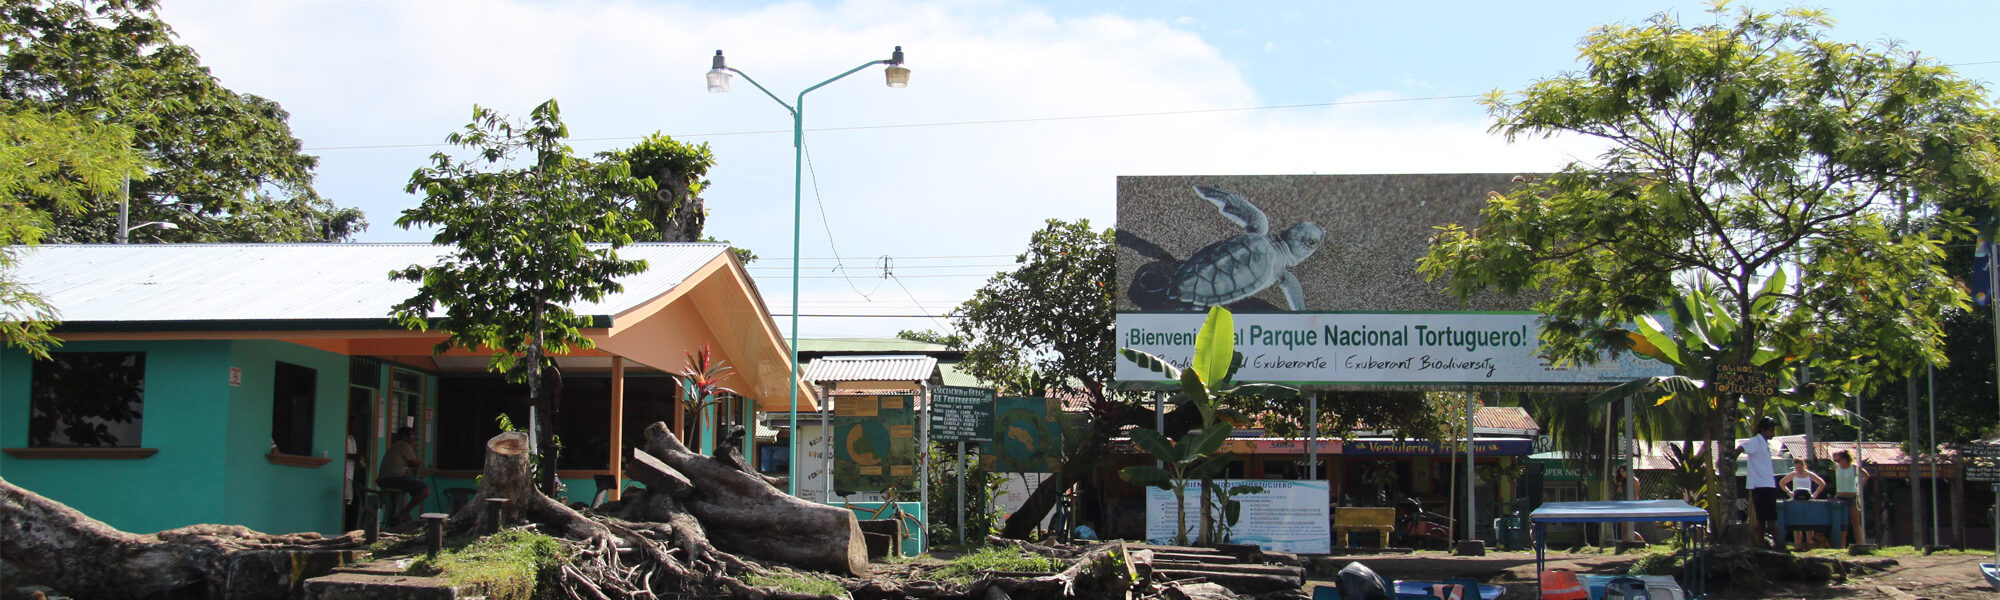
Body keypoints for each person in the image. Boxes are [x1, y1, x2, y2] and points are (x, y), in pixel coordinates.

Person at [1731, 416, 1783, 549]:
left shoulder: (1765, 443)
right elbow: (1740, 448)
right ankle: (1777, 545)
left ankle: (1762, 543)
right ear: (1763, 430)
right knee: (1767, 519)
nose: (1772, 433)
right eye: (1770, 430)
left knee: (1766, 518)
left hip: (1767, 484)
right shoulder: (1756, 441)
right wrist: (1732, 462)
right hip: (1760, 485)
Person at [376, 427, 428, 525]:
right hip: (393, 479)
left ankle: (394, 515)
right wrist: (412, 447)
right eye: (411, 436)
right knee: (425, 490)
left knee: (401, 491)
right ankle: (405, 512)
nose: (413, 439)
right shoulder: (403, 445)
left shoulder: (395, 446)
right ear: (404, 437)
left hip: (385, 480)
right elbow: (415, 462)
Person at [1777, 456, 1827, 548]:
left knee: (1808, 522)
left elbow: (1821, 483)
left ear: (1803, 465)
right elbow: (1781, 483)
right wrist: (1789, 492)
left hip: (1807, 499)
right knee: (1797, 522)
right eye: (1796, 468)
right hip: (1796, 499)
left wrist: (1815, 494)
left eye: (1799, 467)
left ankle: (1810, 543)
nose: (1798, 469)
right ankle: (1798, 544)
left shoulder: (1809, 474)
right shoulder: (1793, 474)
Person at [1831, 449, 1869, 547]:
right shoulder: (1836, 468)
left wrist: (1859, 488)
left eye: (1839, 460)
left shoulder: (1854, 468)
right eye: (1836, 461)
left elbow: (1866, 475)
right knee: (1842, 523)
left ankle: (1860, 544)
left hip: (1852, 497)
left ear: (1846, 459)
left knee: (1855, 522)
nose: (1838, 463)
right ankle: (1841, 546)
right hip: (1840, 497)